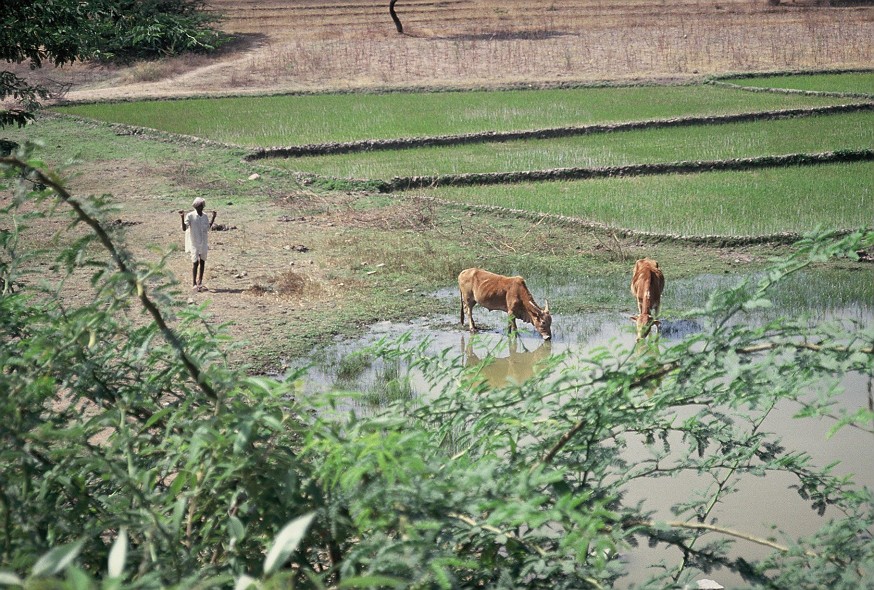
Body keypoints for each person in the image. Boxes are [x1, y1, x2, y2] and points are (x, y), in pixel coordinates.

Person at [179, 197, 217, 292]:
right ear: (195, 206)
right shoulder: (190, 216)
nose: (200, 208)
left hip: (203, 241)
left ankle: (200, 282)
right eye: (199, 206)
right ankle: (194, 283)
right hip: (194, 242)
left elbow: (208, 227)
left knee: (203, 261)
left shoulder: (204, 216)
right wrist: (182, 217)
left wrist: (213, 217)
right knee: (195, 262)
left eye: (201, 206)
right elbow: (184, 228)